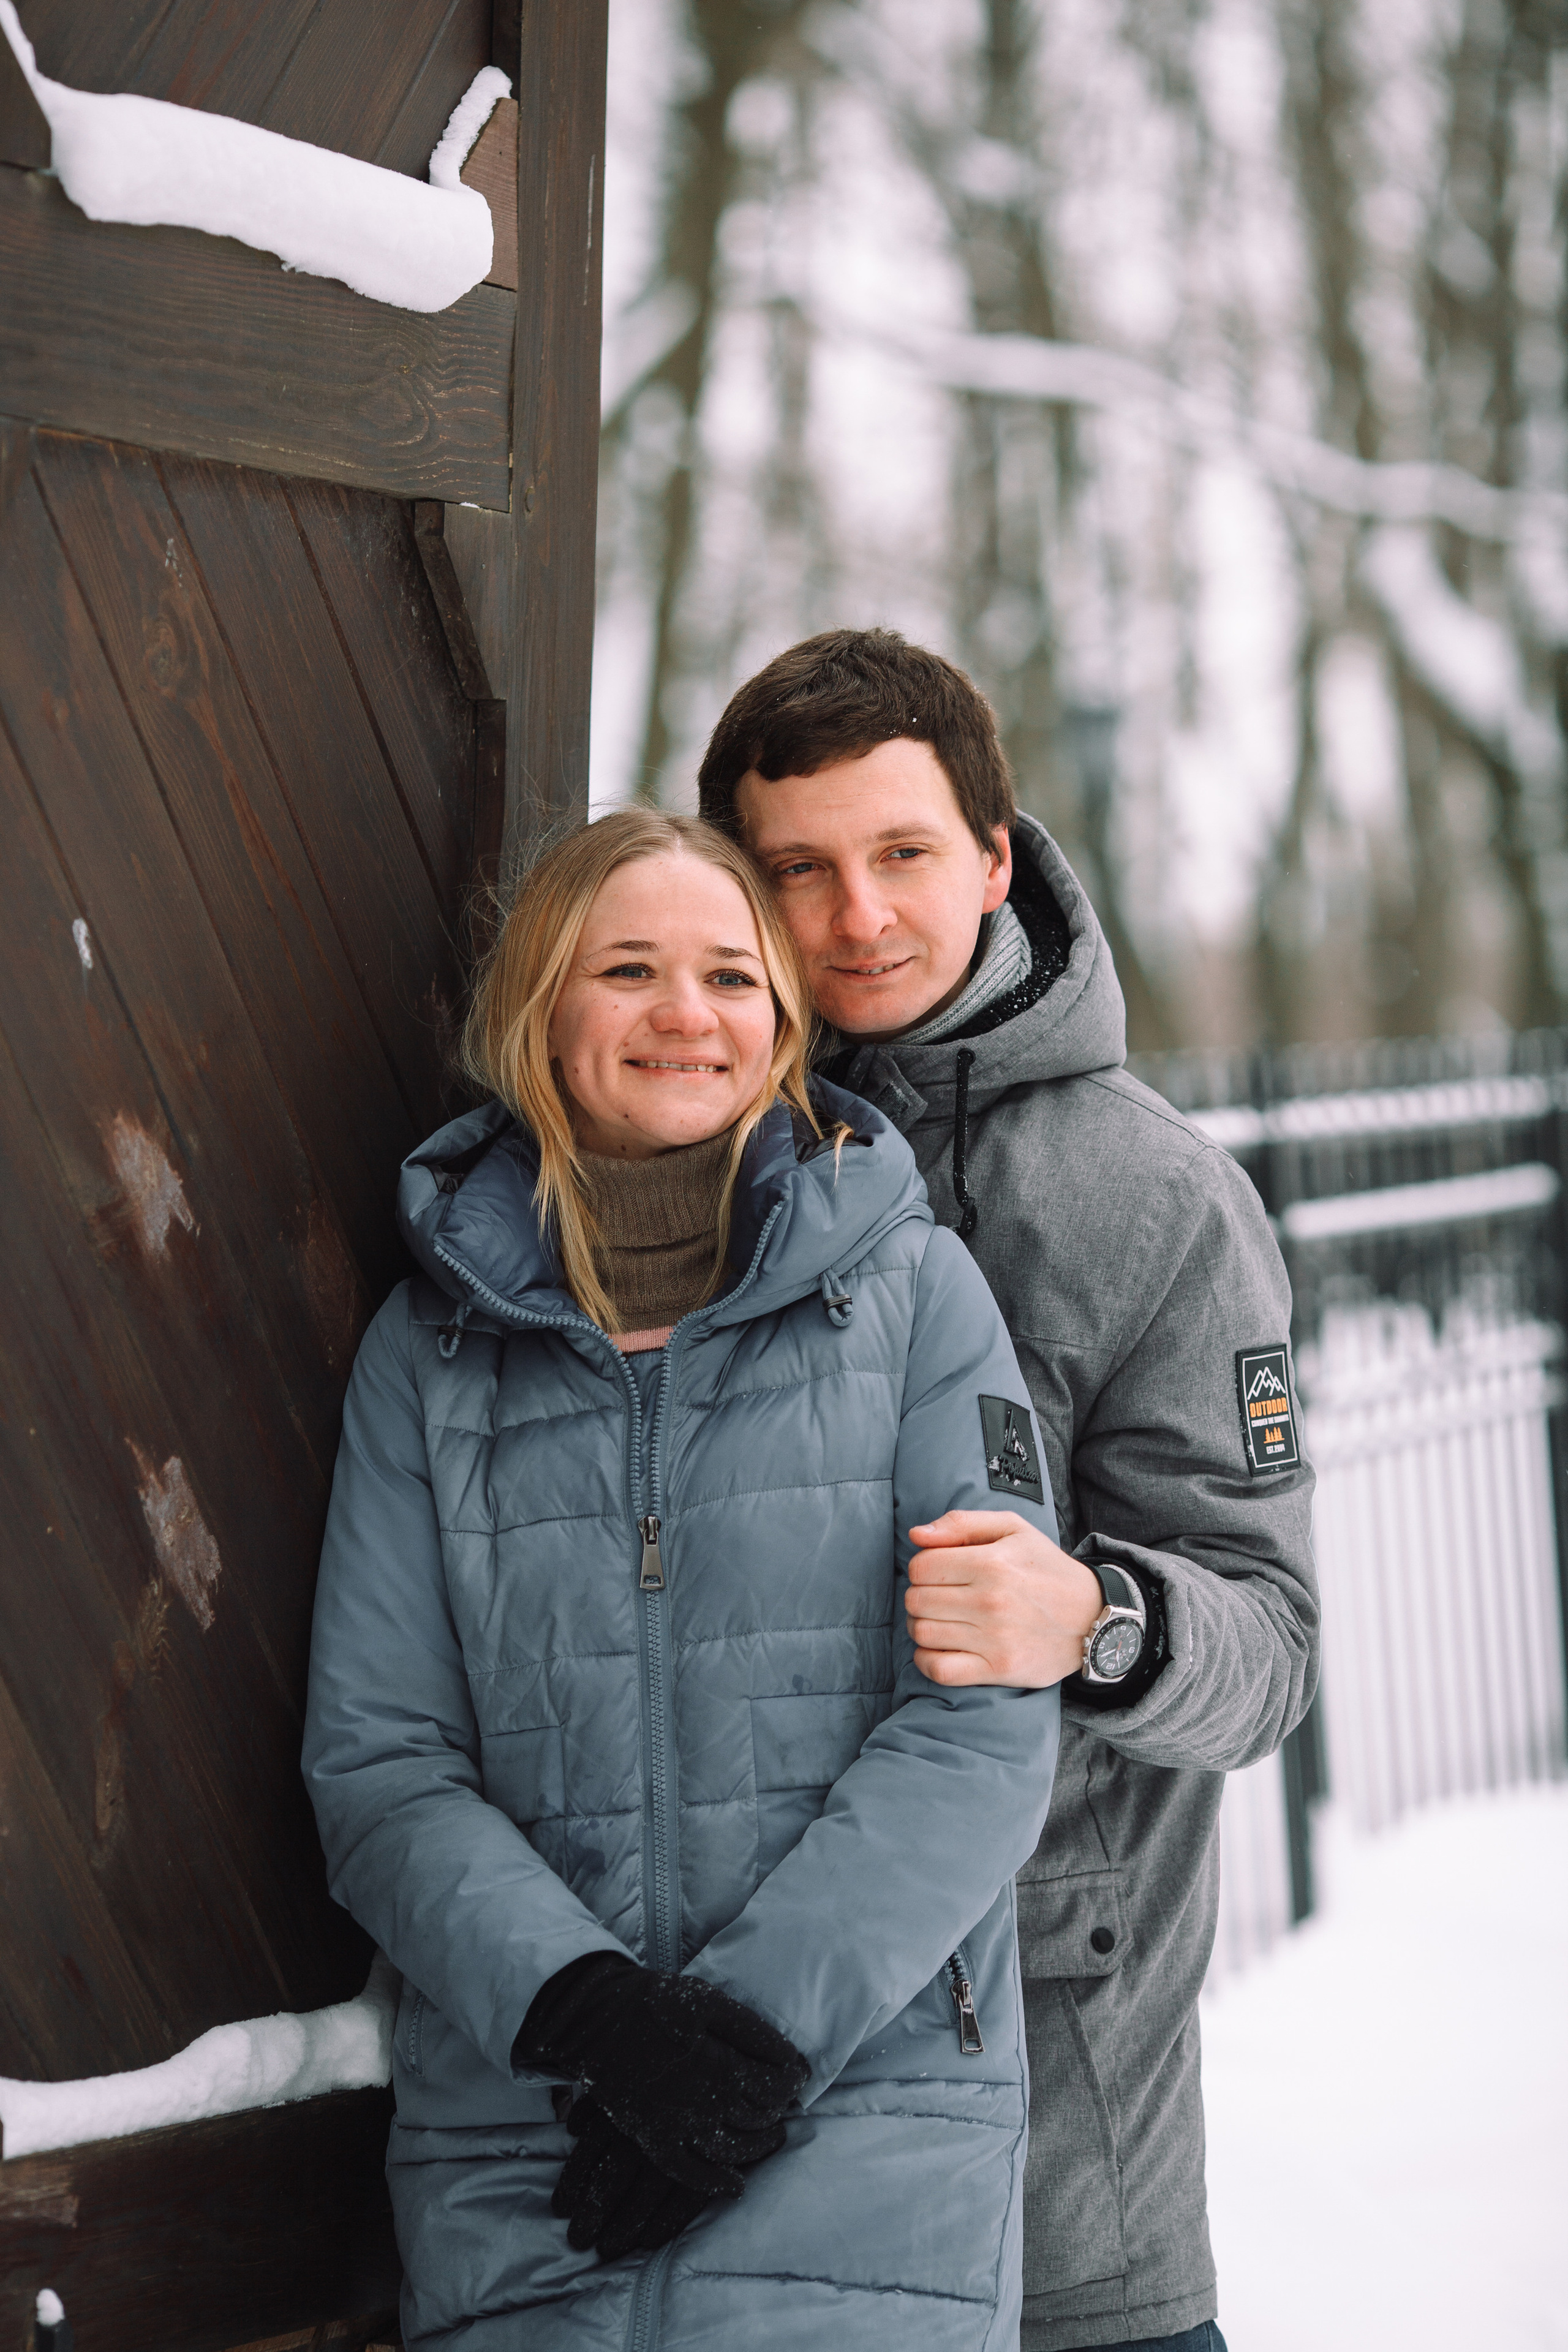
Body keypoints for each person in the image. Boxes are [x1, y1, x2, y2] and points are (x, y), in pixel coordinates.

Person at [303, 809, 1065, 2351]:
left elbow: (977, 1727)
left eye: (729, 976)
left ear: (781, 1022)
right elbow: (381, 1765)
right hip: (526, 2150)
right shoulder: (425, 1354)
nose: (684, 1015)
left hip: (861, 2123)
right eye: (629, 970)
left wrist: (750, 2043)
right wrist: (583, 2018)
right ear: (541, 1013)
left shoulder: (913, 1296)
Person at [697, 630, 1322, 2352]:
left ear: (994, 854)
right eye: (797, 871)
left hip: (1061, 2177)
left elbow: (1270, 1652)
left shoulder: (1157, 1201)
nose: (858, 917)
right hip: (712, 2129)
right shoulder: (670, 1162)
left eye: (902, 855)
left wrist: (1103, 1619)